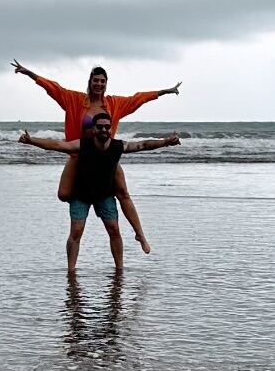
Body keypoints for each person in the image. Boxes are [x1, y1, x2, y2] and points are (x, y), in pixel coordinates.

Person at [13, 60, 181, 252]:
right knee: (64, 194)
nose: (99, 84)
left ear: (106, 84)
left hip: (106, 156)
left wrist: (165, 91)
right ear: (90, 82)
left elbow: (139, 98)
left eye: (102, 81)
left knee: (123, 193)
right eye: (96, 80)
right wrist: (30, 74)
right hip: (79, 155)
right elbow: (54, 88)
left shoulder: (114, 104)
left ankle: (140, 234)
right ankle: (87, 202)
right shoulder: (74, 100)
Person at [19, 110, 180, 273]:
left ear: (111, 129)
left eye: (107, 127)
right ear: (94, 129)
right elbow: (58, 145)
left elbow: (143, 145)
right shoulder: (83, 144)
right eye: (100, 127)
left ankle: (119, 269)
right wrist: (31, 141)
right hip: (80, 195)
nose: (104, 130)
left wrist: (166, 141)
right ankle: (71, 270)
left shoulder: (118, 146)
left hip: (104, 195)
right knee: (76, 231)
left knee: (114, 229)